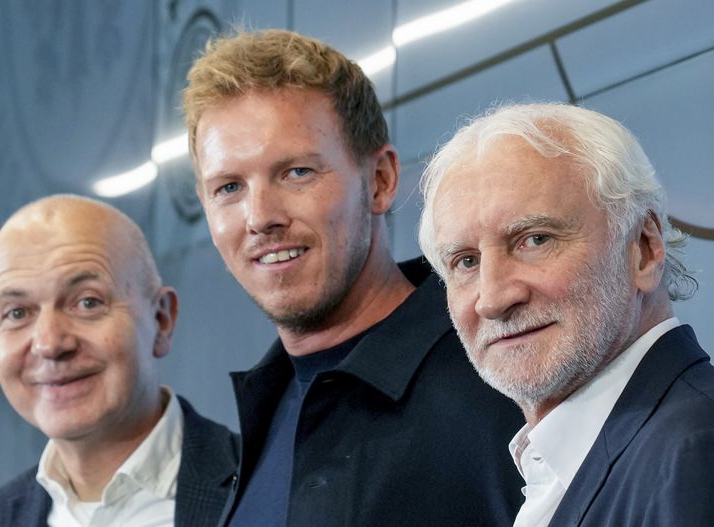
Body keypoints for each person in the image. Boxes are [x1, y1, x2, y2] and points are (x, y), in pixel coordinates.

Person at [182, 29, 524, 526]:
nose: (259, 217)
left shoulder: (502, 379)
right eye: (229, 187)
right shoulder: (265, 414)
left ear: (381, 181)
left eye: (297, 172)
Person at [419, 102, 714, 526]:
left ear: (644, 249)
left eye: (535, 239)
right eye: (466, 262)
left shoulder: (696, 454)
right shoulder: (564, 467)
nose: (493, 299)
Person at [0, 195, 238, 527]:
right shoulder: (1, 515)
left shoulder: (269, 483)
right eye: (17, 313)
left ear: (161, 320)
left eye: (87, 302)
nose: (49, 344)